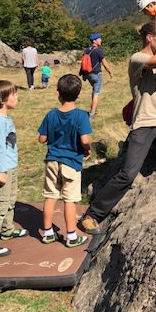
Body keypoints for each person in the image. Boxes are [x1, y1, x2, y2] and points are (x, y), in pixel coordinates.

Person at [77, 19, 156, 235]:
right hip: (144, 124)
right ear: (149, 38)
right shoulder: (138, 59)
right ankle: (91, 215)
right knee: (128, 174)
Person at [38, 74, 91, 248]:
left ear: (58, 93)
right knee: (70, 199)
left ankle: (47, 232)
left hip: (52, 160)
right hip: (71, 162)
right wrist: (87, 149)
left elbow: (42, 138)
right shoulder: (81, 116)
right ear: (79, 93)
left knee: (50, 196)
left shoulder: (51, 114)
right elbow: (84, 140)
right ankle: (71, 236)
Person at [0, 80, 29, 257]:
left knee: (10, 200)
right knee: (1, 205)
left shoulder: (3, 117)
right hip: (4, 169)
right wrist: (2, 172)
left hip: (10, 165)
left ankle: (7, 230)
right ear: (2, 99)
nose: (17, 97)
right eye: (13, 94)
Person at [83, 33, 113, 117]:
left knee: (94, 91)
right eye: (99, 39)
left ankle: (94, 110)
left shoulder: (86, 50)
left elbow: (83, 62)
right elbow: (105, 64)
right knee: (96, 93)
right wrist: (110, 72)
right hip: (96, 74)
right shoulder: (98, 51)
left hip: (88, 75)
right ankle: (92, 113)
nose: (101, 40)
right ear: (94, 41)